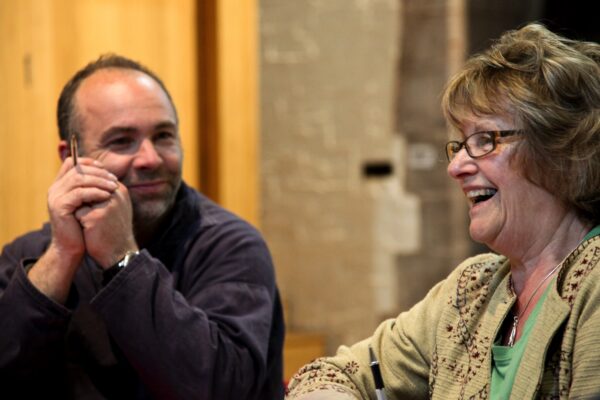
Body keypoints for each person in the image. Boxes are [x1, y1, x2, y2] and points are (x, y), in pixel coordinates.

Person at [285, 23, 600, 399]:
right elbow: (333, 373)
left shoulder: (593, 283)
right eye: (461, 145)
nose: (456, 167)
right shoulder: (472, 290)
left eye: (486, 140)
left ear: (560, 150)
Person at [0, 54, 284, 399]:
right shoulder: (28, 257)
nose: (151, 159)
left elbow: (219, 388)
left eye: (163, 136)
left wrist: (122, 259)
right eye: (121, 141)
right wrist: (62, 254)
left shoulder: (231, 246)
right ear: (69, 157)